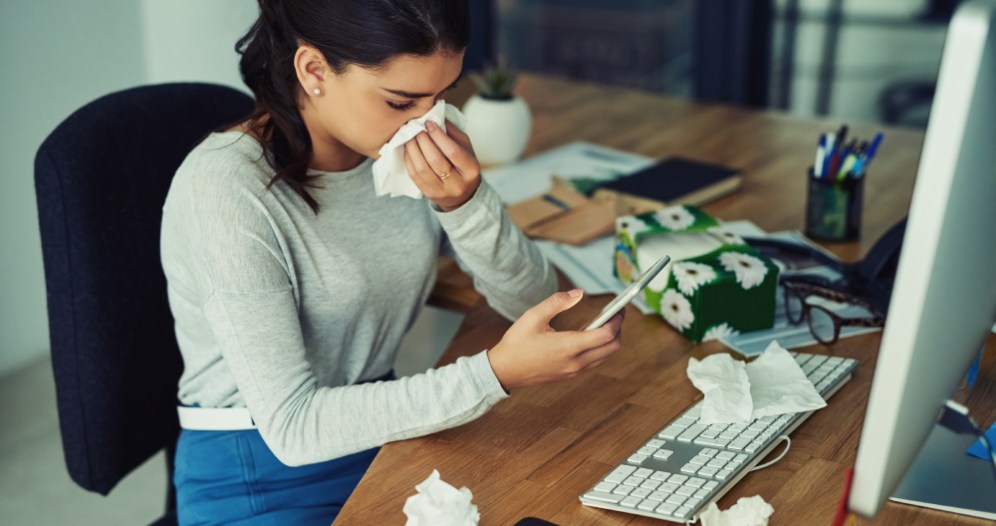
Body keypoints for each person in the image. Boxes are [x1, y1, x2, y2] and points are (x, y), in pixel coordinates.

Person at [159, 0, 625, 524]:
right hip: (260, 468)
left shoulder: (395, 152)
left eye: (442, 96)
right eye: (401, 101)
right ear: (314, 71)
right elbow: (292, 427)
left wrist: (464, 204)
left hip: (383, 431)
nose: (426, 123)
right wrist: (495, 374)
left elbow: (535, 306)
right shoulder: (225, 190)